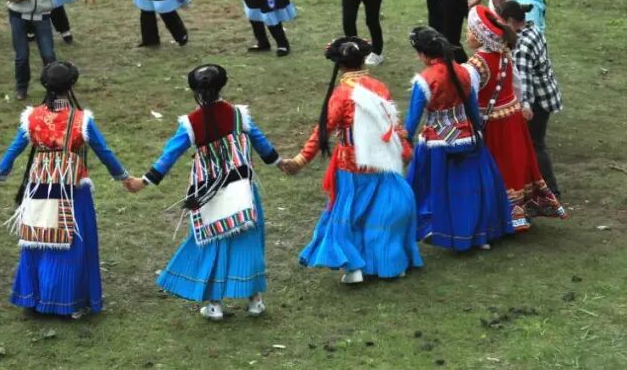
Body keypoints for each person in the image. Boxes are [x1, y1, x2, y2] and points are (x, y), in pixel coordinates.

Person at [126, 64, 280, 321]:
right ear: (223, 85)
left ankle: (215, 305)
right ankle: (255, 301)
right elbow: (264, 147)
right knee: (249, 242)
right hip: (242, 188)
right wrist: (282, 163)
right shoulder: (239, 115)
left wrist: (144, 181)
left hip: (207, 193)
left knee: (212, 245)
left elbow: (169, 156)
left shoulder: (191, 123)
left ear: (194, 90)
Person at [0, 61, 133, 319]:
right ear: (71, 86)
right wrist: (124, 178)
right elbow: (103, 151)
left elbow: (15, 149)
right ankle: (68, 301)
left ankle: (33, 297)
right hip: (72, 187)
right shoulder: (80, 120)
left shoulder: (32, 117)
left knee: (38, 238)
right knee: (70, 244)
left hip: (39, 186)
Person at [279, 37, 422, 284]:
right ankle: (390, 262)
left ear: (340, 65)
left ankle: (354, 267)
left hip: (350, 164)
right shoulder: (379, 86)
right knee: (380, 212)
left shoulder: (341, 94)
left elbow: (322, 131)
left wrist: (300, 160)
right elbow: (392, 124)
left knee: (348, 214)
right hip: (380, 159)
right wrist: (405, 151)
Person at [404, 26, 514, 251]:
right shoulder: (462, 72)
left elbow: (413, 119)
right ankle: (476, 234)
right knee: (470, 190)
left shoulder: (425, 80)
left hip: (436, 143)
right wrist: (478, 132)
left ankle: (432, 226)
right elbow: (472, 107)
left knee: (429, 187)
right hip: (467, 136)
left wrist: (404, 139)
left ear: (424, 54)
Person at [466, 6, 565, 230]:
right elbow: (517, 85)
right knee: (513, 164)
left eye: (470, 31)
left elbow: (469, 98)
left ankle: (496, 217)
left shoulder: (475, 65)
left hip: (493, 124)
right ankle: (519, 214)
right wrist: (520, 105)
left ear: (479, 35)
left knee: (495, 166)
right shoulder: (505, 55)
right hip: (512, 119)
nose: (467, 35)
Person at [500, 0, 562, 197]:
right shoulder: (532, 30)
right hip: (547, 93)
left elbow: (524, 80)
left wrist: (524, 106)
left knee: (536, 144)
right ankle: (539, 186)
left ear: (510, 21)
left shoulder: (522, 47)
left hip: (537, 100)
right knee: (536, 144)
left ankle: (551, 190)